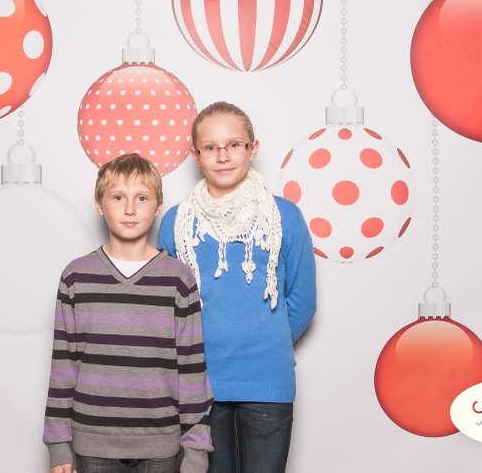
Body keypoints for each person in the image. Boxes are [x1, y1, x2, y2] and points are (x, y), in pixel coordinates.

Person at [158, 102, 317, 473]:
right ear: (195, 155)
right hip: (199, 385)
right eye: (210, 147)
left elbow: (303, 300)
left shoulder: (284, 216)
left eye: (234, 144)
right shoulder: (176, 222)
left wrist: (266, 339)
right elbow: (167, 307)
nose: (223, 155)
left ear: (253, 149)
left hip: (267, 380)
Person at [43, 153, 213, 473]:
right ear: (99, 204)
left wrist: (196, 452)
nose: (130, 209)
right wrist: (58, 444)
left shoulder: (178, 279)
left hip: (161, 445)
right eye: (118, 197)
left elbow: (192, 371)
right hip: (92, 444)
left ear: (158, 206)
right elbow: (63, 365)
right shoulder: (76, 277)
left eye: (142, 198)